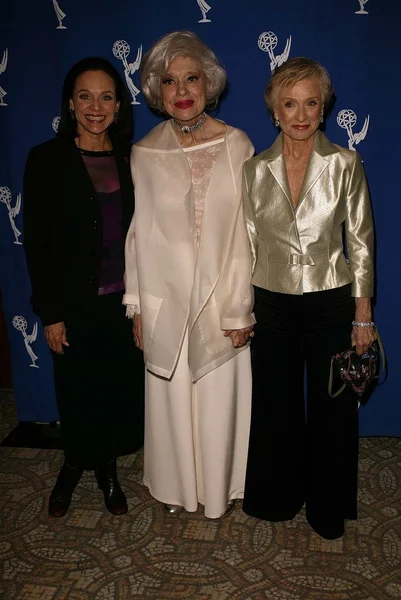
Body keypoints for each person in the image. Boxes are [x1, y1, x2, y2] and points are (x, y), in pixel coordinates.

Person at [242, 57, 375, 539]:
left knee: (332, 408)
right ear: (274, 110)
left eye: (311, 103)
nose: (300, 114)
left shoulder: (345, 163)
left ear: (324, 108)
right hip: (271, 301)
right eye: (289, 104)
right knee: (275, 405)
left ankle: (327, 506)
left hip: (331, 300)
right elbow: (247, 244)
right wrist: (243, 307)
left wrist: (363, 314)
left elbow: (359, 240)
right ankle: (275, 497)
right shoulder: (254, 170)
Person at [123, 31, 255, 519]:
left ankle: (219, 490)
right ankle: (179, 488)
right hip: (167, 296)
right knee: (173, 398)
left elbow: (246, 231)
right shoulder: (145, 152)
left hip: (223, 295)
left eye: (191, 78)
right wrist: (136, 304)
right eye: (170, 80)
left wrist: (241, 305)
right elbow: (139, 233)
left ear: (209, 82)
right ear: (157, 90)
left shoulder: (237, 143)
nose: (182, 89)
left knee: (219, 398)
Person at [23, 57, 144, 517]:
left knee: (114, 388)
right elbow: (36, 241)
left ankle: (107, 468)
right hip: (73, 304)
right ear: (71, 104)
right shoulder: (46, 159)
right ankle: (73, 463)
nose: (96, 106)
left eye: (106, 96)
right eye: (85, 96)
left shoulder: (134, 157)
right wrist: (50, 312)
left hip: (122, 301)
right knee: (75, 389)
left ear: (119, 104)